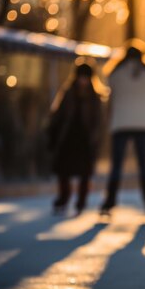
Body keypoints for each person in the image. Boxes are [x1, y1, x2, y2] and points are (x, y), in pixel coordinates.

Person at [100, 45, 145, 215]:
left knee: (117, 165)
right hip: (144, 124)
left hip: (121, 123)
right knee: (143, 165)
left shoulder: (115, 74)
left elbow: (110, 96)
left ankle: (109, 203)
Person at [48, 63, 103, 215]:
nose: (83, 81)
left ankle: (81, 202)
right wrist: (53, 132)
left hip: (85, 140)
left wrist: (95, 139)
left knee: (85, 172)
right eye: (81, 77)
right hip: (68, 137)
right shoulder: (68, 93)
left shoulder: (95, 97)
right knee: (64, 171)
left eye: (86, 77)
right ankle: (63, 198)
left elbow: (98, 121)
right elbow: (58, 114)